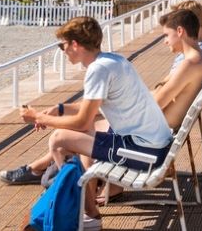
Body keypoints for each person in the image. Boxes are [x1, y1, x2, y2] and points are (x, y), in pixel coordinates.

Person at [13, 16, 180, 229]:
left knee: (59, 139)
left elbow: (83, 120)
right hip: (154, 145)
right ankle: (89, 209)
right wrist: (60, 109)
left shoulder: (98, 70)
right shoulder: (113, 61)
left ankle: (84, 207)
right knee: (83, 134)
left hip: (143, 152)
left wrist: (38, 117)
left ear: (75, 44)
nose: (62, 51)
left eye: (62, 45)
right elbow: (92, 108)